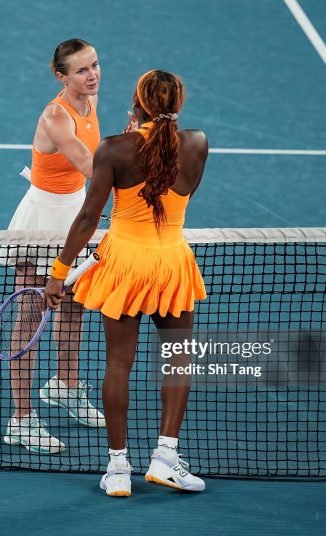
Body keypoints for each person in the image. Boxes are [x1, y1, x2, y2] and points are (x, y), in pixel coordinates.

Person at [44, 70, 209, 496]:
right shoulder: (197, 144)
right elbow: (177, 192)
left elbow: (87, 218)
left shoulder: (114, 149)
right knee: (178, 361)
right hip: (172, 263)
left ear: (137, 105)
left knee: (119, 364)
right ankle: (165, 458)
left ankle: (118, 469)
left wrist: (58, 275)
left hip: (125, 266)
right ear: (178, 103)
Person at [2, 38, 106, 455]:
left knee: (76, 303)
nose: (93, 74)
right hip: (42, 223)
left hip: (76, 211)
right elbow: (91, 165)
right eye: (81, 71)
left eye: (95, 65)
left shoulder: (89, 101)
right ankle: (21, 419)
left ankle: (65, 385)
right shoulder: (55, 116)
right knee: (30, 316)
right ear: (61, 77)